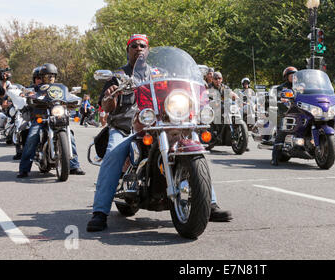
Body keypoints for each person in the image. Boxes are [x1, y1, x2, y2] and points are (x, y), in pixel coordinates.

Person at [87, 35, 232, 232]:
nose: (139, 49)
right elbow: (106, 106)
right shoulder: (118, 76)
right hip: (125, 126)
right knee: (113, 153)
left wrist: (194, 85)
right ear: (128, 50)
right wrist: (111, 94)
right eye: (134, 46)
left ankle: (209, 203)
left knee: (193, 138)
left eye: (143, 46)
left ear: (148, 50)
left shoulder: (159, 73)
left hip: (159, 122)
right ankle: (100, 212)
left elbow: (177, 87)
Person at [17, 63, 85, 178]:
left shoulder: (59, 88)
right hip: (41, 117)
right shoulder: (36, 88)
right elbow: (27, 93)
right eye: (46, 76)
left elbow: (67, 96)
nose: (50, 78)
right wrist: (27, 94)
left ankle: (74, 166)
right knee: (33, 136)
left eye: (52, 76)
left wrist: (74, 99)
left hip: (57, 116)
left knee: (71, 136)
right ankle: (24, 169)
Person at [271, 66, 297, 166]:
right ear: (286, 76)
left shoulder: (301, 86)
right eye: (291, 75)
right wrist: (283, 99)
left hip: (299, 111)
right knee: (282, 131)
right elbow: (278, 96)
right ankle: (274, 157)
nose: (294, 77)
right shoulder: (282, 88)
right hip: (285, 112)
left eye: (295, 75)